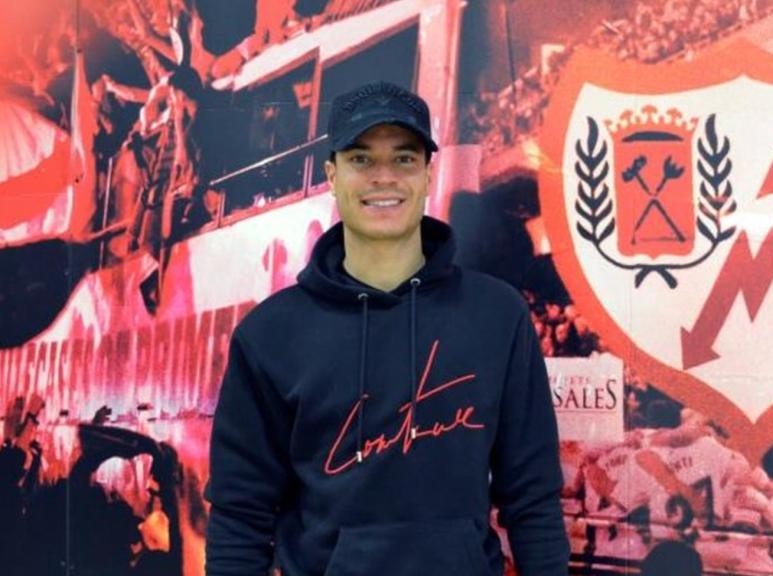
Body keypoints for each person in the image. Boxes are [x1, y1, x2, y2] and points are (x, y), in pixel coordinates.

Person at [204, 82, 569, 575]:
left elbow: (534, 499)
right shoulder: (269, 334)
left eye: (403, 159)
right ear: (331, 176)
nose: (384, 178)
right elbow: (240, 517)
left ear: (427, 174)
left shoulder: (498, 315)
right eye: (361, 159)